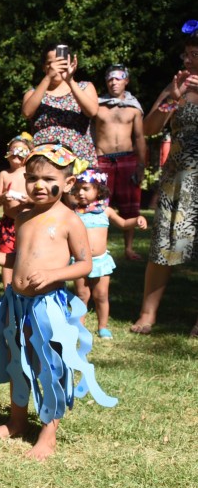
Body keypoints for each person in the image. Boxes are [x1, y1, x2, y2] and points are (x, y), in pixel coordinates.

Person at [0, 144, 117, 460]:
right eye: (31, 178)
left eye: (47, 178)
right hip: (17, 303)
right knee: (17, 359)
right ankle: (17, 422)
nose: (37, 185)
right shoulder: (23, 217)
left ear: (67, 183)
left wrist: (54, 274)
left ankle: (48, 433)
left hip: (47, 307)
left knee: (49, 366)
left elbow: (84, 264)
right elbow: (17, 257)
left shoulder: (69, 220)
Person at [131, 23, 198, 337]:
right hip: (179, 177)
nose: (189, 61)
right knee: (163, 244)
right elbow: (149, 128)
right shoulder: (178, 87)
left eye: (195, 55)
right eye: (187, 54)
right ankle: (148, 314)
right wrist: (172, 97)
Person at [71, 169, 147, 339]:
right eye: (78, 189)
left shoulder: (106, 211)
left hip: (100, 261)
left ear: (99, 189)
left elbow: (124, 223)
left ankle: (103, 327)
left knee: (101, 295)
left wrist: (136, 220)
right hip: (79, 261)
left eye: (85, 188)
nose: (80, 193)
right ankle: (79, 326)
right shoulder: (73, 213)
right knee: (82, 295)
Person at [93, 64, 147, 260]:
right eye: (110, 78)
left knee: (130, 206)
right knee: (98, 203)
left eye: (118, 78)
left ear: (126, 80)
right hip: (102, 160)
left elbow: (140, 138)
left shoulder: (134, 108)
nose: (113, 82)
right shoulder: (97, 105)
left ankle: (129, 248)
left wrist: (141, 165)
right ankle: (99, 247)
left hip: (127, 159)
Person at [22, 43, 99, 166]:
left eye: (60, 62)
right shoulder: (33, 93)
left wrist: (70, 80)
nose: (56, 67)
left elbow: (92, 112)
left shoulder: (85, 87)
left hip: (79, 159)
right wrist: (48, 77)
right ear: (44, 67)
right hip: (44, 161)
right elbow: (27, 113)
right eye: (51, 63)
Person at [0, 134, 33, 287]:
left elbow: (38, 199)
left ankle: (25, 285)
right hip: (8, 224)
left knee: (26, 255)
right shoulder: (4, 174)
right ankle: (7, 289)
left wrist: (28, 200)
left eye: (22, 152)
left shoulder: (30, 175)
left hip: (27, 222)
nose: (17, 155)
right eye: (13, 151)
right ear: (8, 154)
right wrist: (4, 197)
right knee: (6, 256)